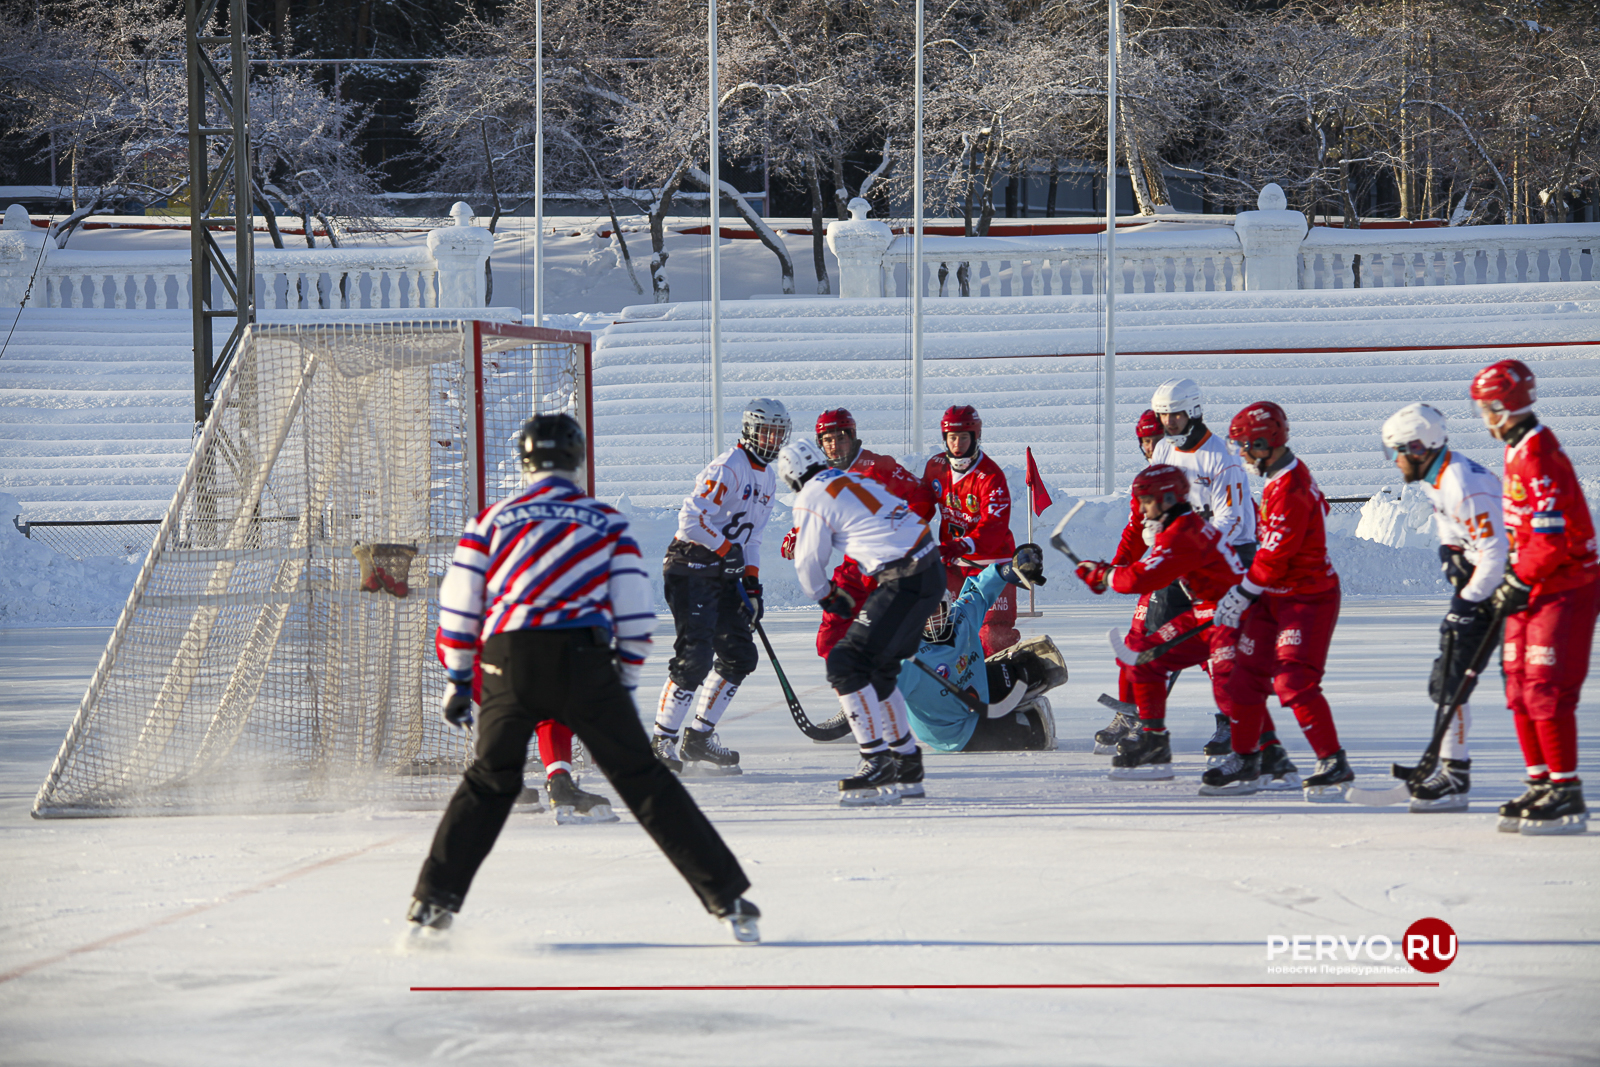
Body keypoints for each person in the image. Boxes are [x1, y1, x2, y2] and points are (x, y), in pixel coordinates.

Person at [408, 414, 759, 943]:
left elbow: (458, 604)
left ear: (526, 462)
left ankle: (431, 902)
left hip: (509, 656)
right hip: (583, 656)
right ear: (577, 460)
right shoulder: (604, 520)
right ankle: (729, 899)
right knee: (644, 781)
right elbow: (634, 610)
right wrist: (622, 680)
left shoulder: (492, 520)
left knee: (489, 780)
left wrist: (459, 680)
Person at [1074, 465, 1300, 786]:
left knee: (1230, 688)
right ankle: (1155, 741)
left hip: (1233, 618)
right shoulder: (1178, 527)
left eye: (1147, 502)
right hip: (1208, 613)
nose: (1141, 510)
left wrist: (1103, 574)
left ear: (1167, 499)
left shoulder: (1183, 534)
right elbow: (1145, 570)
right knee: (1144, 655)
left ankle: (1258, 757)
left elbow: (1141, 578)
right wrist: (1109, 573)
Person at [780, 438, 946, 804]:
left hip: (904, 576)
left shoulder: (810, 494)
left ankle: (876, 761)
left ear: (792, 478)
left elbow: (808, 563)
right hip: (929, 569)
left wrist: (826, 595)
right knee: (880, 671)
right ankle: (906, 765)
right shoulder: (852, 478)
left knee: (845, 662)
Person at [1471, 359, 1595, 835]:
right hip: (1534, 581)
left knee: (1545, 687)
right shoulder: (1515, 448)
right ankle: (1540, 781)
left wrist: (1517, 581)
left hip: (1564, 585)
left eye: (1488, 408)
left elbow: (1551, 538)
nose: (1484, 417)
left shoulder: (1539, 454)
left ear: (1507, 407)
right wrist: (1514, 575)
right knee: (1518, 686)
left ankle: (1566, 790)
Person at [1207, 401, 1349, 800]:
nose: (1240, 455)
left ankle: (1333, 761)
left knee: (1294, 680)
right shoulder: (1279, 477)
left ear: (1263, 444)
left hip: (1307, 599)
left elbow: (1273, 557)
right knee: (1244, 677)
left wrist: (1241, 594)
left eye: (1243, 446)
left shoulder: (1290, 488)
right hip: (1276, 596)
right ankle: (1247, 758)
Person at [1380, 402, 1508, 813]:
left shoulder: (1461, 483)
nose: (1394, 460)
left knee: (1491, 681)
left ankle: (1459, 775)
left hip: (1503, 587)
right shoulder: (1438, 476)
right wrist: (1450, 549)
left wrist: (1467, 602)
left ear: (1419, 448)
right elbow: (1449, 521)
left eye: (1397, 451)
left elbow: (1497, 553)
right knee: (1448, 677)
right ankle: (1454, 770)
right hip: (1481, 580)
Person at [651, 399, 788, 775]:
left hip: (724, 572)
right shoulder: (729, 466)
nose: (772, 440)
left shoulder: (768, 478)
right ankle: (661, 740)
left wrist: (752, 584)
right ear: (750, 430)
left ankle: (699, 737)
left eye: (778, 433)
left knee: (739, 656)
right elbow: (691, 519)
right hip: (690, 566)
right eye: (766, 432)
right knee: (694, 656)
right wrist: (727, 550)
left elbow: (753, 538)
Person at [1146, 379, 1259, 758]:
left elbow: (1231, 520)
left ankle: (1233, 722)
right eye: (1163, 416)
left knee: (1221, 644)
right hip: (1183, 554)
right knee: (1157, 637)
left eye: (1175, 415)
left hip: (1227, 555)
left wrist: (1191, 546)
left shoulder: (1222, 457)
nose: (1169, 423)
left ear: (1194, 411)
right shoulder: (1163, 449)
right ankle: (1146, 723)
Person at [779, 408, 934, 659]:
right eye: (828, 440)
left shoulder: (877, 466)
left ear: (852, 437)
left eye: (840, 438)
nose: (834, 446)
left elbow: (922, 494)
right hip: (856, 568)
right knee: (830, 637)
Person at [899, 557, 1053, 756]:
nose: (929, 619)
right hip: (955, 731)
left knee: (1032, 667)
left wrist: (1009, 569)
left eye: (934, 609)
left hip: (976, 690)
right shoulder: (907, 658)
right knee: (1033, 731)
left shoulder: (961, 617)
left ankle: (1002, 705)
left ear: (947, 604)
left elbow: (980, 590)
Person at [1094, 409, 1183, 752]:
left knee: (1210, 655)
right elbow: (1135, 529)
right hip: (1159, 574)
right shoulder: (1144, 482)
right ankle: (1129, 714)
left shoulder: (1190, 474)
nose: (1150, 447)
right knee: (1134, 644)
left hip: (1195, 576)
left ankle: (1230, 723)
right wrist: (1115, 568)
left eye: (1156, 439)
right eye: (1145, 441)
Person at [922, 405, 1019, 655]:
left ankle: (1002, 676)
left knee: (993, 635)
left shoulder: (991, 476)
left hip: (992, 565)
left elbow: (994, 525)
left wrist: (964, 544)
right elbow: (921, 504)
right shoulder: (935, 467)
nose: (957, 445)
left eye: (964, 437)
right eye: (952, 437)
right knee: (944, 630)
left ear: (976, 437)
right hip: (953, 564)